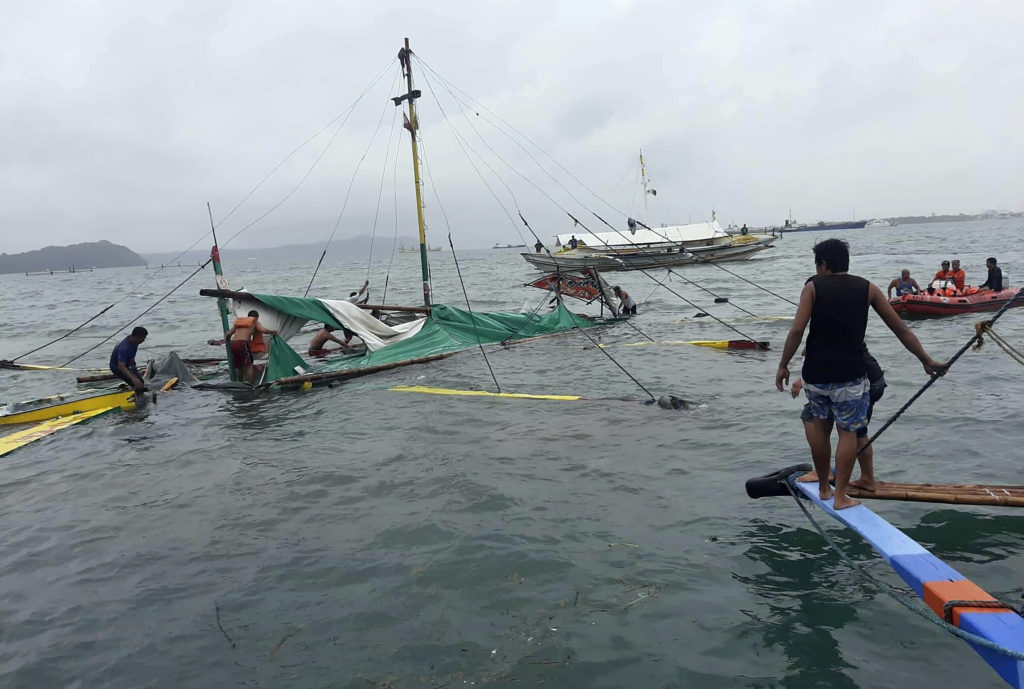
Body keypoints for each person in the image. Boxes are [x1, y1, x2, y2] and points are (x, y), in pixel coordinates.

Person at [775, 238, 946, 510]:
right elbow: (900, 329)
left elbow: (797, 330)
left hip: (816, 375)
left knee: (820, 427)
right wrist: (925, 359)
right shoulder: (868, 288)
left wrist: (783, 365)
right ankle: (841, 495)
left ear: (823, 264)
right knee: (848, 432)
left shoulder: (812, 287)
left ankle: (823, 488)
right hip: (850, 375)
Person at [792, 344, 887, 492]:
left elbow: (816, 351)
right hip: (872, 377)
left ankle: (824, 472)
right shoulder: (850, 323)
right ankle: (867, 478)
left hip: (856, 379)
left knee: (809, 416)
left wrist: (800, 375)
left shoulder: (826, 324)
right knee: (858, 431)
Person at [224, 310, 277, 385]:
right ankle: (251, 384)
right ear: (256, 318)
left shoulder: (240, 322)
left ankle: (240, 383)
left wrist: (227, 342)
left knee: (239, 366)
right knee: (249, 365)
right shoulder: (255, 321)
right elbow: (263, 330)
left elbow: (228, 334)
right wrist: (272, 332)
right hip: (242, 344)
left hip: (233, 344)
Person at [109, 326, 148, 391]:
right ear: (137, 337)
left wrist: (134, 369)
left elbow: (132, 356)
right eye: (143, 338)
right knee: (135, 383)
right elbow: (121, 366)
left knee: (141, 382)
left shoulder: (135, 342)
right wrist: (133, 378)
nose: (143, 341)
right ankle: (124, 391)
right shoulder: (124, 348)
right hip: (117, 367)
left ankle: (129, 387)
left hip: (128, 363)